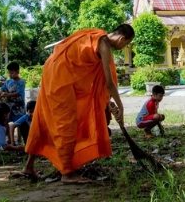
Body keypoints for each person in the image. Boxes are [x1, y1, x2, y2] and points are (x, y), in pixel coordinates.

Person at [23, 24, 134, 183]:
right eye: (126, 44)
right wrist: (121, 106)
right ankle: (67, 173)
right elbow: (109, 83)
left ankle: (29, 166)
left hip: (51, 71)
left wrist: (107, 102)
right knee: (66, 123)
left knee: (42, 117)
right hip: (60, 80)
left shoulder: (94, 34)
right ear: (122, 38)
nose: (124, 47)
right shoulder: (103, 45)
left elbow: (93, 78)